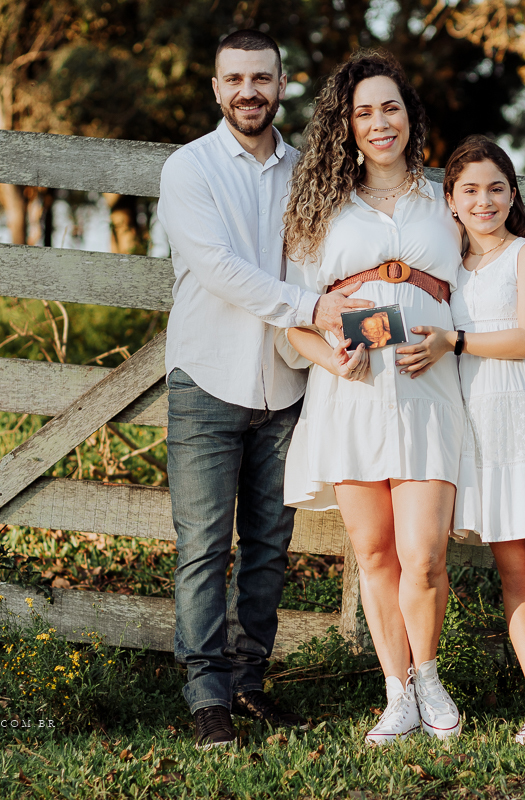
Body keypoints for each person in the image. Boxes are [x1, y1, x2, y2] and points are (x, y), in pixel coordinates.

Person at [156, 30, 372, 751]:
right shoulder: (189, 169)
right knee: (203, 545)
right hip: (207, 378)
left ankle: (250, 684)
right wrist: (312, 309)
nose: (249, 90)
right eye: (235, 79)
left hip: (287, 383)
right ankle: (206, 696)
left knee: (270, 548)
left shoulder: (309, 173)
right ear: (216, 89)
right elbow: (218, 268)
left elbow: (336, 259)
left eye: (262, 78)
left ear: (284, 85)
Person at [277, 50, 466, 745]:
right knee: (376, 551)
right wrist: (335, 358)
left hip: (427, 392)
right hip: (351, 399)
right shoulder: (320, 211)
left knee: (424, 556)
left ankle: (430, 674)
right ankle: (397, 694)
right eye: (363, 112)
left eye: (390, 108)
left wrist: (450, 341)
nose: (379, 123)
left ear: (409, 117)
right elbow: (295, 321)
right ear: (345, 127)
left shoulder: (446, 201)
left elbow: (496, 282)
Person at [395, 135, 525, 743]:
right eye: (469, 190)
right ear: (451, 202)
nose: (483, 200)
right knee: (515, 578)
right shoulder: (446, 273)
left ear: (512, 195)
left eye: (495, 188)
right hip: (487, 432)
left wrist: (455, 342)